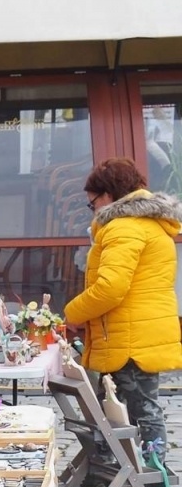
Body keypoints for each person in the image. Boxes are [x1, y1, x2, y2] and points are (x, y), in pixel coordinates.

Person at [64, 157, 182, 461]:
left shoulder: (124, 228)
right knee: (130, 409)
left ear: (107, 195)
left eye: (92, 203)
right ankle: (128, 473)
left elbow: (110, 288)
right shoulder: (149, 224)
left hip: (129, 339)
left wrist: (73, 313)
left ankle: (148, 478)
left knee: (130, 411)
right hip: (141, 332)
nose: (93, 210)